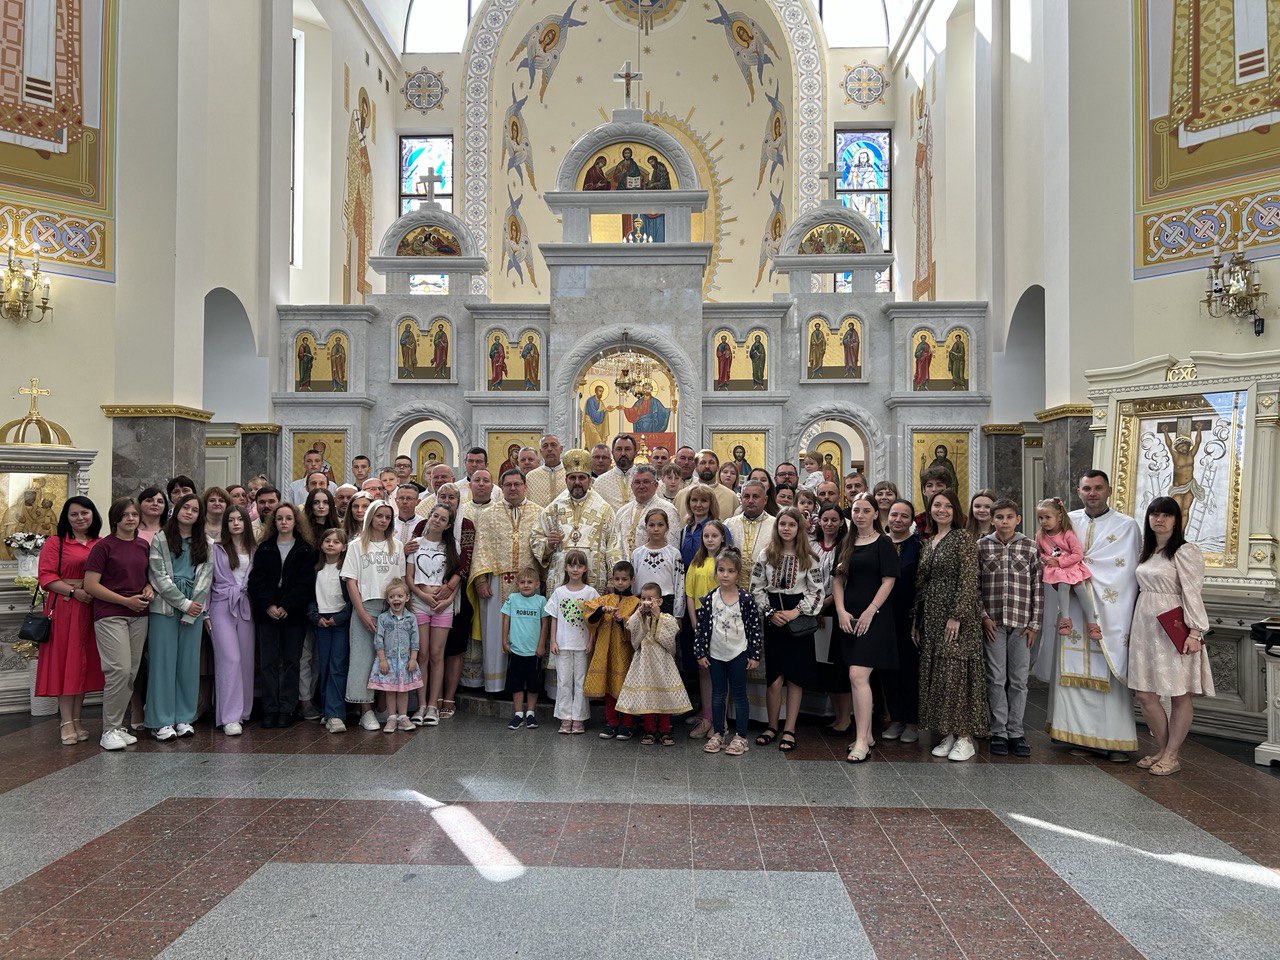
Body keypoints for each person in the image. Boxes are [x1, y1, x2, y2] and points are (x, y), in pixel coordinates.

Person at [1038, 471, 1141, 761]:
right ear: (1078, 491)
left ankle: (1115, 741)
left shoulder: (1127, 526)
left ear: (1109, 490)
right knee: (1071, 671)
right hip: (1071, 606)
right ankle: (1077, 735)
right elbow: (1051, 555)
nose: (1092, 493)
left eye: (1098, 488)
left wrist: (1083, 575)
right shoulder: (1066, 520)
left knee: (1107, 672)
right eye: (1086, 488)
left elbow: (1126, 573)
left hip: (1106, 611)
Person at [1128, 497, 1215, 777]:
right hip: (1145, 626)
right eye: (1154, 514)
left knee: (1179, 693)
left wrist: (1194, 631)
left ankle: (1172, 753)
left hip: (1174, 625)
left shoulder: (1185, 551)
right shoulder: (1146, 551)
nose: (1159, 519)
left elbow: (1192, 591)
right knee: (1144, 693)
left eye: (1166, 515)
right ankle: (1163, 749)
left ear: (1176, 520)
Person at [915, 490, 985, 762]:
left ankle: (965, 736)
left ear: (955, 510)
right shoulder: (930, 540)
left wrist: (957, 614)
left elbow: (968, 580)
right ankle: (951, 734)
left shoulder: (963, 538)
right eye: (936, 505)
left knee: (956, 673)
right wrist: (916, 620)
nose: (941, 510)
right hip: (931, 617)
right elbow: (922, 584)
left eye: (946, 506)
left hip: (956, 619)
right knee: (941, 676)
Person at [831, 494, 898, 763]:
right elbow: (837, 580)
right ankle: (866, 734)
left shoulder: (883, 542)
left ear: (874, 515)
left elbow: (888, 580)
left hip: (875, 617)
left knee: (858, 675)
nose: (860, 515)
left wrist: (871, 611)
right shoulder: (846, 542)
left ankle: (861, 742)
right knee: (855, 677)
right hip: (849, 617)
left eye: (865, 510)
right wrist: (840, 611)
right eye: (856, 510)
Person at [751, 507, 824, 753]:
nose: (786, 528)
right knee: (774, 677)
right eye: (782, 524)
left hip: (797, 619)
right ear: (777, 526)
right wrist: (770, 613)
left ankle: (790, 728)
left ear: (799, 528)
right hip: (774, 616)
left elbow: (817, 592)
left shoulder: (810, 558)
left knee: (795, 677)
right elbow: (756, 588)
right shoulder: (766, 555)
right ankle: (772, 726)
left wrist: (796, 612)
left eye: (791, 525)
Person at [84, 500, 153, 750]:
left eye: (134, 514)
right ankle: (109, 730)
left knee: (132, 672)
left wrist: (148, 589)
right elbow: (90, 585)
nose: (131, 519)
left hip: (139, 614)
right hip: (111, 613)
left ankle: (117, 727)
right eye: (125, 515)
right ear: (115, 519)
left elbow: (148, 578)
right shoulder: (104, 547)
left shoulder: (143, 545)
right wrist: (125, 601)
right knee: (119, 670)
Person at [36, 496, 104, 745]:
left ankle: (77, 719)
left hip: (93, 609)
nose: (80, 518)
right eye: (74, 514)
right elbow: (45, 576)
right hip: (65, 608)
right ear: (66, 518)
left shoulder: (100, 542)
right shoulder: (56, 543)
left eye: (84, 513)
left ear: (93, 515)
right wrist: (75, 591)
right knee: (66, 663)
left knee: (83, 664)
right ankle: (66, 722)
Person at [977, 499, 1042, 758]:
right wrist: (983, 616)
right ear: (992, 519)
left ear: (1018, 519)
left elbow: (1038, 588)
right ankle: (999, 731)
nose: (1004, 521)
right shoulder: (982, 546)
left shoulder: (1030, 547)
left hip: (1022, 625)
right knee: (995, 678)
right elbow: (976, 584)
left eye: (1009, 517)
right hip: (993, 623)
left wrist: (1034, 623)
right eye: (999, 517)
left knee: (1019, 680)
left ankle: (1016, 731)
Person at [145, 494, 214, 741]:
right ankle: (161, 720)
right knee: (163, 663)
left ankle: (184, 716)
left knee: (188, 664)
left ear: (200, 515)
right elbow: (158, 576)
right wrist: (183, 603)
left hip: (194, 608)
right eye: (186, 507)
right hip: (165, 607)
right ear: (177, 510)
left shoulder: (205, 542)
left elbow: (206, 576)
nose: (190, 513)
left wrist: (192, 608)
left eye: (195, 510)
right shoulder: (161, 539)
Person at [247, 502, 316, 729]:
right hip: (267, 614)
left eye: (288, 518)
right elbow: (257, 581)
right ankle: (270, 708)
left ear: (296, 522)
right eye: (279, 519)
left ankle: (287, 708)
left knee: (291, 662)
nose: (284, 522)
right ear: (274, 522)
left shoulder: (305, 549)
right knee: (267, 662)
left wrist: (287, 605)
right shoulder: (265, 548)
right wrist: (268, 605)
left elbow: (305, 584)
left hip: (293, 615)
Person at [471, 469, 538, 697]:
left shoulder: (539, 513)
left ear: (525, 486)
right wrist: (481, 579)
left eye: (517, 484)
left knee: (528, 634)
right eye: (508, 484)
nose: (512, 488)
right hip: (497, 580)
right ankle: (497, 685)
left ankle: (527, 685)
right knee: (496, 633)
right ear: (501, 486)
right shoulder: (489, 513)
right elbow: (481, 547)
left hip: (528, 583)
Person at [342, 500, 404, 731]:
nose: (383, 520)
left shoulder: (396, 545)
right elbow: (351, 580)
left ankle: (384, 706)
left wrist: (399, 610)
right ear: (370, 517)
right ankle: (364, 710)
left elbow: (401, 581)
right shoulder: (356, 546)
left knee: (388, 658)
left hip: (391, 608)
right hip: (366, 606)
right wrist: (360, 612)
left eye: (388, 517)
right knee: (363, 659)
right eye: (379, 516)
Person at [694, 549, 761, 756]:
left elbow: (754, 628)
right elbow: (702, 627)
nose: (725, 575)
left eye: (730, 571)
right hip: (716, 654)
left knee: (739, 694)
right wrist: (700, 652)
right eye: (721, 570)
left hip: (738, 654)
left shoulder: (746, 599)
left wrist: (754, 654)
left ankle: (740, 736)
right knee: (718, 694)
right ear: (716, 572)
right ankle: (719, 733)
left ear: (737, 573)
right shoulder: (709, 598)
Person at [531, 449, 621, 595]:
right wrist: (547, 544)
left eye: (581, 478)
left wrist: (613, 579)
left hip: (594, 579)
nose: (577, 482)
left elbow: (614, 545)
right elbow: (535, 538)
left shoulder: (604, 509)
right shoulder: (553, 509)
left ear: (589, 480)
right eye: (572, 478)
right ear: (566, 480)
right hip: (561, 580)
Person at [617, 583, 691, 745]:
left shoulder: (667, 618)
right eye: (643, 598)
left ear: (659, 601)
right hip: (643, 663)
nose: (646, 602)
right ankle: (649, 730)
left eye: (650, 599)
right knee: (647, 696)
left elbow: (672, 632)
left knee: (663, 695)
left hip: (663, 663)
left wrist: (657, 616)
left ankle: (665, 729)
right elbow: (631, 628)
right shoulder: (638, 616)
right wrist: (640, 613)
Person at [407, 504, 460, 726]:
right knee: (422, 655)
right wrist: (421, 595)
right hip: (420, 603)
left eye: (442, 519)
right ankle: (420, 705)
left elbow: (456, 575)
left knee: (438, 655)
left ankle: (432, 705)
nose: (437, 520)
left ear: (448, 524)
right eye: (434, 516)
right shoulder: (415, 544)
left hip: (442, 607)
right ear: (428, 517)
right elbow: (409, 577)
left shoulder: (452, 545)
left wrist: (448, 600)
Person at [208, 505, 257, 736]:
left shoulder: (254, 549)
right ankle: (229, 716)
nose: (236, 523)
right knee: (231, 659)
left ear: (247, 523)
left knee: (246, 659)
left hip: (246, 606)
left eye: (240, 519)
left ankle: (244, 711)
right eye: (231, 520)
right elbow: (206, 582)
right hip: (220, 606)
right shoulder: (216, 549)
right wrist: (206, 613)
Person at [584, 561, 642, 740]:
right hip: (605, 650)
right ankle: (611, 722)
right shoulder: (604, 599)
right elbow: (588, 615)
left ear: (632, 580)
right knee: (609, 687)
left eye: (624, 579)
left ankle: (627, 723)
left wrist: (621, 621)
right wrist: (601, 611)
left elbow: (638, 628)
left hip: (625, 652)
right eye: (617, 579)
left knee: (626, 687)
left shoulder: (636, 602)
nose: (620, 582)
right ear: (612, 579)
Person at [545, 549, 599, 734]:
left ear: (585, 569)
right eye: (571, 565)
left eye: (580, 565)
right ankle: (565, 717)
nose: (575, 569)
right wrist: (552, 641)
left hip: (582, 644)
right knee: (563, 681)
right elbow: (554, 618)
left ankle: (579, 718)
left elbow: (594, 620)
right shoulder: (559, 592)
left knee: (580, 681)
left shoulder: (591, 592)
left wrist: (591, 641)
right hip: (563, 644)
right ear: (566, 567)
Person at [881, 500, 921, 744]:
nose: (897, 519)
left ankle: (912, 721)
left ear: (911, 520)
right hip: (882, 616)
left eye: (903, 516)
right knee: (888, 669)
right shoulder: (880, 543)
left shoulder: (918, 546)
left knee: (909, 669)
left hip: (908, 616)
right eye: (894, 515)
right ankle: (896, 718)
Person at [1036, 497, 1102, 642]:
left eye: (1047, 517)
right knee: (1063, 585)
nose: (1043, 521)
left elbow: (1078, 554)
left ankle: (1092, 623)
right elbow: (1039, 552)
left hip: (1070, 566)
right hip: (1057, 570)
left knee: (1080, 588)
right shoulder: (1040, 536)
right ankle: (1065, 619)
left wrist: (1059, 561)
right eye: (1040, 518)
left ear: (1059, 517)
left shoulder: (1067, 534)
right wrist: (1047, 560)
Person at [811, 504, 851, 735]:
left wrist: (825, 603)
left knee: (840, 669)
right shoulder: (812, 546)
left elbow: (842, 581)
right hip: (816, 613)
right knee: (826, 669)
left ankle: (845, 718)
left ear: (841, 522)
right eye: (825, 519)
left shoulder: (845, 547)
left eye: (834, 519)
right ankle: (837, 716)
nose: (829, 524)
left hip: (836, 610)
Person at [310, 528, 353, 733]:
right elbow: (309, 596)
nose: (331, 545)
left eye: (336, 542)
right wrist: (316, 618)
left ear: (344, 547)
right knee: (325, 666)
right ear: (321, 544)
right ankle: (327, 710)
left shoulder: (345, 570)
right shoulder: (316, 569)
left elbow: (352, 600)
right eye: (327, 540)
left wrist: (338, 619)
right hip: (321, 623)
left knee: (338, 666)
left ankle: (336, 714)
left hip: (340, 623)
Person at [368, 579, 422, 733]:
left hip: (405, 661)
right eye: (392, 597)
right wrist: (382, 660)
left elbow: (415, 641)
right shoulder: (383, 618)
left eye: (399, 596)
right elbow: (378, 640)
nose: (396, 599)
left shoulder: (411, 618)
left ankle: (403, 717)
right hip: (389, 661)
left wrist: (413, 659)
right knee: (390, 690)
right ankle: (391, 717)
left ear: (407, 598)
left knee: (403, 690)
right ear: (387, 600)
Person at [501, 568, 549, 730]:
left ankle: (530, 713)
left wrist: (541, 645)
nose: (526, 585)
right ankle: (518, 714)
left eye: (530, 582)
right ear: (517, 584)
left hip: (533, 652)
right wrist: (504, 641)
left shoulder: (541, 601)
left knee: (533, 684)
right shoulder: (512, 599)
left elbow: (544, 625)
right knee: (517, 683)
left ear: (537, 585)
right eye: (522, 582)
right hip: (516, 650)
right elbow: (506, 620)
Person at [630, 509, 685, 619]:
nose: (656, 529)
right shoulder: (637, 554)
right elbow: (633, 584)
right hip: (642, 603)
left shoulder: (674, 554)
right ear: (646, 527)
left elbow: (680, 584)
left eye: (660, 525)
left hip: (666, 604)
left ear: (667, 527)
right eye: (651, 525)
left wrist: (678, 614)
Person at [614, 464, 679, 555]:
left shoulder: (668, 510)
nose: (641, 486)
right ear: (632, 486)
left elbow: (672, 547)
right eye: (637, 482)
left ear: (656, 485)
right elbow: (614, 544)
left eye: (646, 482)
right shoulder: (622, 511)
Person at [673, 450, 738, 522]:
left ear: (717, 468)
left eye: (711, 463)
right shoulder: (682, 495)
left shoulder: (731, 496)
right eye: (702, 463)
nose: (707, 466)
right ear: (696, 468)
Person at [593, 433, 638, 512]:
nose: (623, 453)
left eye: (627, 449)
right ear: (613, 453)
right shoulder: (600, 482)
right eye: (619, 449)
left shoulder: (644, 479)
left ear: (635, 452)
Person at [526, 434, 566, 507]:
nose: (549, 449)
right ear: (541, 452)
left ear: (561, 449)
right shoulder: (530, 477)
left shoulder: (570, 474)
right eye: (545, 446)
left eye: (553, 445)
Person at [913, 467, 951, 536]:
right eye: (929, 485)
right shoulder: (917, 521)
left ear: (947, 489)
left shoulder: (961, 520)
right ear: (924, 491)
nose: (934, 489)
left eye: (939, 485)